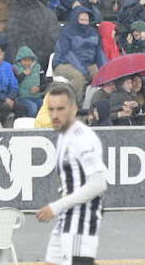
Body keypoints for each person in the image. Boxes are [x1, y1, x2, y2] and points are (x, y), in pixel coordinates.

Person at [36, 83, 108, 265]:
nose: (54, 115)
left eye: (60, 109)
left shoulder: (82, 138)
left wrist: (56, 207)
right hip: (66, 218)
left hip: (82, 219)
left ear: (74, 109)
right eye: (50, 109)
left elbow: (98, 184)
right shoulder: (63, 136)